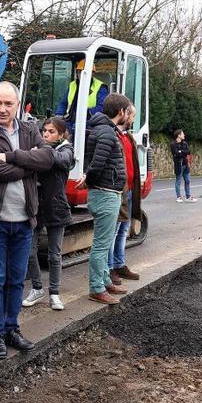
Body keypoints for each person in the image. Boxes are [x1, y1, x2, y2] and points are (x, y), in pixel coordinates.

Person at [0, 81, 54, 360]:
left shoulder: (30, 130)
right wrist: (27, 168)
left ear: (18, 105)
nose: (2, 109)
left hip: (24, 219)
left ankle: (11, 329)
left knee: (17, 280)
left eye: (8, 104)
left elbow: (48, 158)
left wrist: (12, 156)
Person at [78, 93, 131, 305]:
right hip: (106, 193)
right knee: (101, 245)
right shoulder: (107, 134)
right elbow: (97, 164)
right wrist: (88, 179)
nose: (128, 115)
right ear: (121, 112)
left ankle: (105, 280)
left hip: (107, 192)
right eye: (127, 111)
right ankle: (96, 288)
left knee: (105, 242)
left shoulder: (103, 130)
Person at [22, 117, 75, 311]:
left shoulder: (66, 150)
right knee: (28, 252)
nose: (45, 134)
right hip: (36, 207)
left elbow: (62, 161)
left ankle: (54, 293)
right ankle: (37, 288)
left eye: (51, 131)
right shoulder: (41, 149)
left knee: (54, 254)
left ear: (61, 134)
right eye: (44, 131)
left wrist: (41, 151)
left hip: (56, 207)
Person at [108, 104, 142, 285]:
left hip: (128, 191)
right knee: (113, 232)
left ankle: (119, 264)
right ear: (124, 114)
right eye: (133, 115)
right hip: (118, 192)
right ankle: (110, 267)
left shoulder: (128, 137)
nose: (134, 119)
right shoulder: (113, 136)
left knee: (122, 231)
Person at [55, 59, 109, 135]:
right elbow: (63, 103)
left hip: (89, 122)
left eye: (86, 72)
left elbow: (101, 107)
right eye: (80, 72)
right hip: (70, 119)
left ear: (93, 73)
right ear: (77, 73)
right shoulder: (72, 85)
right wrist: (59, 115)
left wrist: (84, 113)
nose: (82, 75)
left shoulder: (100, 87)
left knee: (75, 129)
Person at [171, 130, 196, 202]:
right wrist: (182, 152)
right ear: (178, 135)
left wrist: (181, 151)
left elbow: (188, 151)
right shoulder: (173, 144)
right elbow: (176, 154)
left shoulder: (185, 143)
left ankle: (188, 197)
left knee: (187, 180)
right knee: (178, 181)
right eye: (182, 134)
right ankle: (179, 197)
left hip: (185, 164)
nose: (184, 135)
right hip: (179, 165)